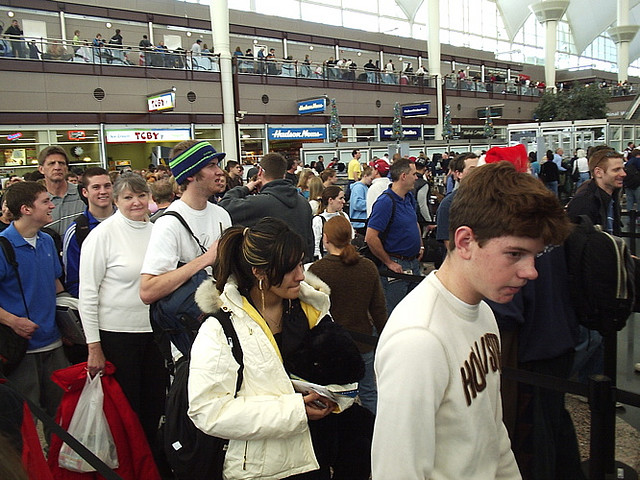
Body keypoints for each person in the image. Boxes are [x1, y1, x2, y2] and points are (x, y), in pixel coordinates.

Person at [372, 161, 572, 479]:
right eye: (515, 254)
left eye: (534, 256)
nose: (531, 271)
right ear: (465, 242)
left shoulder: (484, 311)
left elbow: (494, 435)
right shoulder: (418, 339)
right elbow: (397, 470)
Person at [187, 218, 336, 479]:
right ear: (259, 272)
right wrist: (296, 410)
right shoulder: (220, 329)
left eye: (301, 263)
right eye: (290, 268)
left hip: (315, 455)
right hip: (261, 469)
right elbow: (207, 411)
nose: (301, 275)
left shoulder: (309, 307)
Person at [78, 173, 166, 451]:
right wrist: (94, 346)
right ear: (116, 201)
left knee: (155, 406)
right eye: (128, 197)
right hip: (117, 336)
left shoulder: (159, 232)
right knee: (127, 412)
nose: (136, 202)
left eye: (141, 195)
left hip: (155, 334)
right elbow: (88, 295)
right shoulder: (101, 236)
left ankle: (149, 463)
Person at [0, 181, 68, 442]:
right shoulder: (4, 246)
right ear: (26, 209)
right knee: (25, 420)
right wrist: (13, 321)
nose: (52, 205)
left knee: (59, 414)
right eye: (45, 201)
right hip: (21, 350)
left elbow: (55, 284)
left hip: (54, 344)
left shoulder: (48, 241)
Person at [140, 141, 231, 310]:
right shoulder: (168, 223)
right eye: (211, 165)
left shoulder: (221, 214)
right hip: (190, 327)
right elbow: (148, 291)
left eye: (217, 165)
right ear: (190, 174)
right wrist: (205, 259)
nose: (219, 171)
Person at [309, 215, 386, 414]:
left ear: (325, 238)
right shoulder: (367, 267)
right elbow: (378, 309)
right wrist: (384, 336)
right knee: (369, 392)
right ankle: (372, 434)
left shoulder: (317, 271)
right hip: (364, 341)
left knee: (333, 396)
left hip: (330, 346)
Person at [219, 153, 315, 263]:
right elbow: (309, 241)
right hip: (297, 268)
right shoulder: (303, 202)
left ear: (260, 172)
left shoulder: (258, 203)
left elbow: (224, 206)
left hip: (270, 271)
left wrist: (246, 188)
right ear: (284, 173)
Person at [365, 158, 423, 315]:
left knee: (413, 311)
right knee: (392, 312)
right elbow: (371, 237)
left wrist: (420, 245)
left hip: (413, 263)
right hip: (396, 265)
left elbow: (414, 222)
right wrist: (388, 262)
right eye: (413, 174)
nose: (416, 177)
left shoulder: (409, 197)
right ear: (403, 176)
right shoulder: (385, 202)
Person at [62, 167, 115, 298]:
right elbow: (73, 281)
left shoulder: (129, 222)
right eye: (96, 187)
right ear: (85, 192)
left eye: (107, 186)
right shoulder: (77, 231)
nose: (103, 192)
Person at [38, 146, 85, 237]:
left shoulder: (83, 194)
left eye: (61, 163)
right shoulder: (37, 201)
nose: (57, 167)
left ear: (67, 168)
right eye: (51, 163)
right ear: (41, 169)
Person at [312, 185, 350, 260]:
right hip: (326, 256)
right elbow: (316, 245)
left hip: (344, 255)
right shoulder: (318, 220)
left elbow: (351, 238)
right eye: (340, 198)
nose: (343, 202)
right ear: (330, 200)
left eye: (344, 198)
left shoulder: (344, 216)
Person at [350, 166, 373, 233]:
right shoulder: (358, 187)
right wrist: (371, 202)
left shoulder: (365, 187)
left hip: (362, 221)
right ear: (365, 176)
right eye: (371, 178)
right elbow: (357, 204)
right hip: (359, 222)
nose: (371, 181)